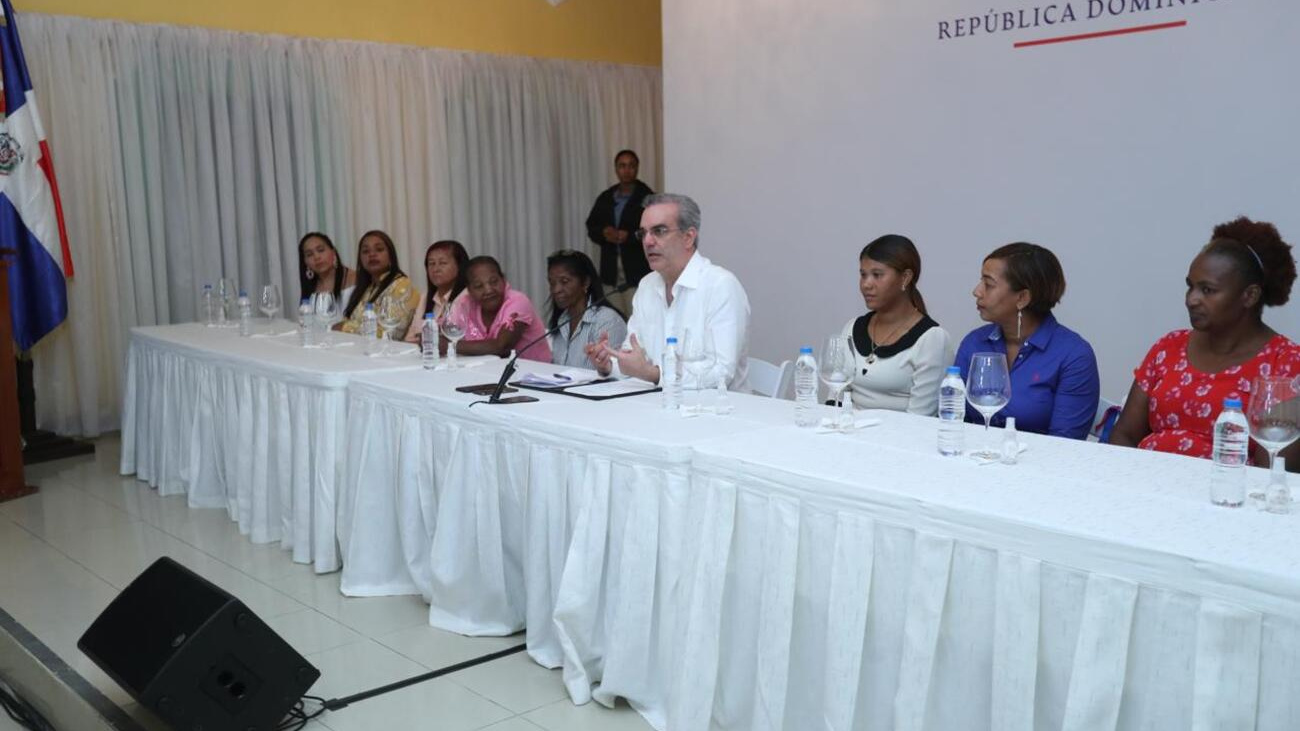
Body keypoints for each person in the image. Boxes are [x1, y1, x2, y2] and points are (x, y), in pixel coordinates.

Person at [1109, 216, 1300, 470]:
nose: (1192, 299)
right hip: (1143, 486)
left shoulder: (1285, 363)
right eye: (1190, 287)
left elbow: (1273, 468)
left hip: (1224, 498)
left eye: (1207, 290)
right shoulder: (1168, 347)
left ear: (1250, 295)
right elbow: (1125, 436)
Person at [586, 193, 751, 389]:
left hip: (715, 413)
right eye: (643, 233)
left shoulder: (721, 286)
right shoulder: (647, 286)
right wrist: (608, 364)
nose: (647, 242)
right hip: (658, 408)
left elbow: (721, 373)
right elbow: (635, 357)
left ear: (688, 237)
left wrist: (654, 375)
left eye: (659, 231)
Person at [953, 242, 1099, 438]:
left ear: (1022, 298)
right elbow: (952, 420)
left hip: (1037, 465)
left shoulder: (1074, 356)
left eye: (988, 284)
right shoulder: (975, 343)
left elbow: (1065, 445)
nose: (977, 291)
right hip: (974, 458)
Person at [841, 235, 953, 414]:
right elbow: (836, 396)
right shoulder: (852, 328)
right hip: (846, 433)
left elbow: (919, 420)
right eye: (863, 275)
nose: (866, 284)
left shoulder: (932, 339)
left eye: (877, 275)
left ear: (906, 278)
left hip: (896, 439)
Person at [585, 149, 654, 316]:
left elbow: (654, 231)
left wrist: (629, 236)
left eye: (631, 166)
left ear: (637, 168)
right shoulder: (606, 197)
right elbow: (591, 226)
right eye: (622, 166)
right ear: (616, 169)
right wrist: (603, 233)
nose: (627, 170)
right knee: (613, 319)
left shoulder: (647, 197)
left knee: (637, 318)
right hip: (610, 272)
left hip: (637, 271)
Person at [446, 256, 552, 361]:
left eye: (494, 282)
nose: (488, 290)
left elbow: (502, 347)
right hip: (490, 372)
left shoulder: (518, 301)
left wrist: (450, 346)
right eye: (479, 286)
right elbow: (447, 331)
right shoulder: (466, 303)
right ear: (469, 290)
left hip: (533, 373)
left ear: (503, 280)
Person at [546, 249, 627, 368]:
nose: (556, 290)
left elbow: (612, 374)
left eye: (564, 281)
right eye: (552, 283)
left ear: (586, 282)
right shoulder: (561, 320)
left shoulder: (607, 320)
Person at [336, 230, 419, 337]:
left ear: (391, 256)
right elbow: (348, 320)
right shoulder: (366, 288)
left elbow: (391, 333)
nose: (372, 254)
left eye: (379, 249)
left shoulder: (402, 286)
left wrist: (344, 328)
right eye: (366, 251)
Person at [403, 240, 469, 343]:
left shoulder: (466, 296)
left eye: (443, 263)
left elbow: (455, 339)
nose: (436, 269)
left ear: (460, 266)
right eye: (431, 264)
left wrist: (421, 338)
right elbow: (409, 338)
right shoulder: (425, 297)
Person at [298, 232, 356, 305]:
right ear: (305, 262)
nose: (316, 257)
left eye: (321, 250)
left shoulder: (354, 279)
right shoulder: (309, 286)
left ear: (333, 252)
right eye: (309, 254)